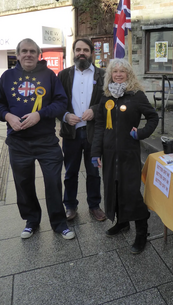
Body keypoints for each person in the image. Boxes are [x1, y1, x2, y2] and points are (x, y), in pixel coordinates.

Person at [0, 38, 74, 240]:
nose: (28, 54)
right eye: (24, 51)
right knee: (23, 184)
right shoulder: (7, 76)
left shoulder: (49, 76)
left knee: (54, 182)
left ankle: (59, 223)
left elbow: (61, 103)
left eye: (32, 51)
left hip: (46, 141)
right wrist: (7, 116)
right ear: (18, 55)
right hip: (18, 143)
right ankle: (31, 221)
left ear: (39, 55)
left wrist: (40, 114)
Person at [91, 58, 159, 254]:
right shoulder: (105, 97)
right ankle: (122, 223)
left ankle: (141, 233)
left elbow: (153, 117)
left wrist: (141, 133)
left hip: (129, 153)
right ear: (110, 75)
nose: (119, 74)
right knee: (113, 187)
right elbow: (99, 127)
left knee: (131, 192)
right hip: (109, 153)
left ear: (129, 74)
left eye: (122, 71)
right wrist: (96, 152)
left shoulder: (136, 96)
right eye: (115, 71)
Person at [58, 38, 106, 222]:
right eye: (78, 49)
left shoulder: (102, 75)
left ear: (92, 53)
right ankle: (70, 206)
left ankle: (94, 206)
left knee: (94, 172)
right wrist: (65, 115)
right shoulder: (63, 75)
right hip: (71, 132)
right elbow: (56, 103)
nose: (81, 53)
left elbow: (107, 101)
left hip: (94, 133)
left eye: (85, 50)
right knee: (70, 172)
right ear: (73, 52)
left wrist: (95, 110)